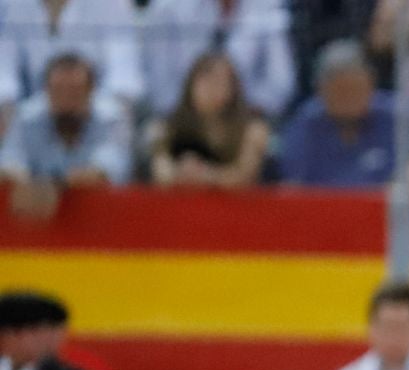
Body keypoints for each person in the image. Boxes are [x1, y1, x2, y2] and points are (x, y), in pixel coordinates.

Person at [0, 53, 133, 220]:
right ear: (46, 90)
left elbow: (106, 169)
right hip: (35, 221)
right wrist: (23, 179)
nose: (66, 100)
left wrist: (52, 185)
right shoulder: (26, 117)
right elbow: (9, 162)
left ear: (91, 91)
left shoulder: (112, 118)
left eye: (74, 91)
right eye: (58, 90)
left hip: (100, 217)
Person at [140, 0, 296, 123]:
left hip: (245, 121)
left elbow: (280, 83)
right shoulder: (166, 7)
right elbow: (160, 90)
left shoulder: (267, 4)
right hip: (180, 122)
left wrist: (236, 114)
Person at [277, 39, 396, 187]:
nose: (349, 99)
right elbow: (294, 184)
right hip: (321, 208)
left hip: (382, 208)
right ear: (321, 90)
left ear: (371, 84)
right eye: (341, 91)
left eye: (355, 89)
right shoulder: (304, 124)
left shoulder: (396, 118)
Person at [0, 0, 144, 122]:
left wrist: (99, 113)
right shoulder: (12, 4)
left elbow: (124, 75)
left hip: (97, 114)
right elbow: (4, 69)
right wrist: (8, 106)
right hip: (34, 117)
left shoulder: (113, 3)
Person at [147, 50, 271, 188]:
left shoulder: (253, 130)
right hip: (181, 206)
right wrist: (182, 172)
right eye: (206, 80)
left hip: (235, 208)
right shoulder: (165, 128)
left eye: (220, 81)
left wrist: (207, 174)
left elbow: (244, 177)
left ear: (234, 87)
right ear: (190, 84)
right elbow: (161, 175)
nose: (212, 88)